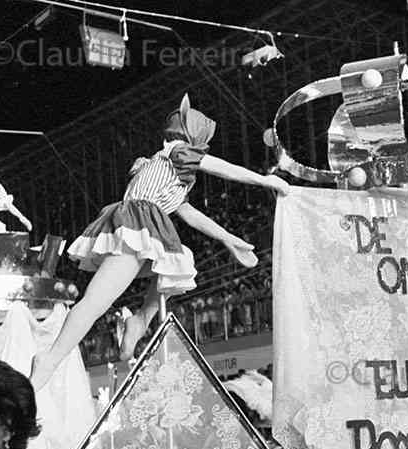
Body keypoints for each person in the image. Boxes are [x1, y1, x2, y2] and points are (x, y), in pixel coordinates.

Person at [30, 94, 290, 389]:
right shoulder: (178, 152)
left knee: (181, 261)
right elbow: (222, 167)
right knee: (95, 302)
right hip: (136, 225)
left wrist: (229, 238)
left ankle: (140, 320)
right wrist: (265, 180)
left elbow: (189, 213)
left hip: (141, 226)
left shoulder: (172, 169)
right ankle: (51, 358)